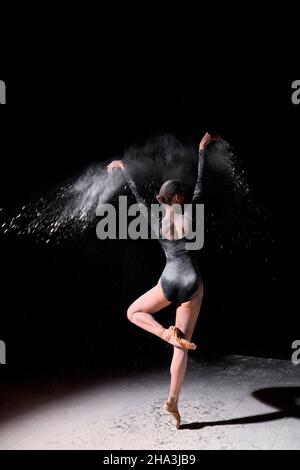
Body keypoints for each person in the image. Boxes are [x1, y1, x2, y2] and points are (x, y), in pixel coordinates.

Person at [107, 132, 213, 429]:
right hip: (191, 282)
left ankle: (164, 333)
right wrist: (202, 150)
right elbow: (202, 184)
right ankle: (173, 400)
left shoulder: (154, 219)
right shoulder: (191, 213)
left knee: (133, 312)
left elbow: (137, 195)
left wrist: (123, 168)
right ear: (180, 198)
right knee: (182, 347)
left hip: (168, 280)